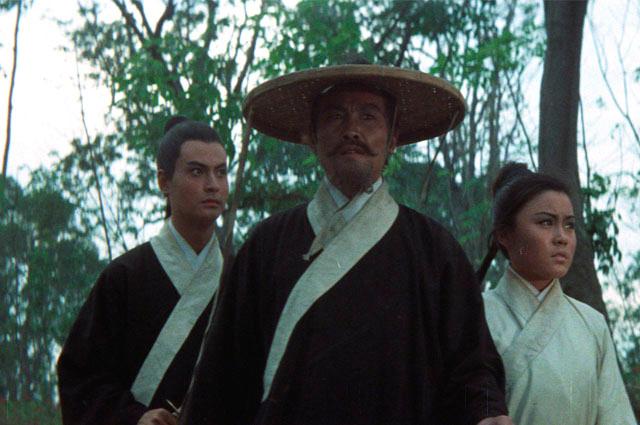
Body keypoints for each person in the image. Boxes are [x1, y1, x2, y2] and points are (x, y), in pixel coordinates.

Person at [179, 63, 512, 425]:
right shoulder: (266, 245)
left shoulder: (435, 250)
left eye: (369, 117)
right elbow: (222, 376)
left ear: (393, 138)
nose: (352, 130)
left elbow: (472, 366)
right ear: (312, 136)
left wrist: (487, 413)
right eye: (336, 116)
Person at [57, 117, 229, 425]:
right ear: (164, 182)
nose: (212, 185)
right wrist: (133, 418)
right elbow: (80, 380)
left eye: (221, 172)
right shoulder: (123, 277)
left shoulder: (239, 278)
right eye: (196, 172)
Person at [478, 162, 636, 425]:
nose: (561, 237)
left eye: (569, 225)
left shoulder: (592, 325)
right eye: (546, 222)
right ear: (504, 235)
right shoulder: (474, 316)